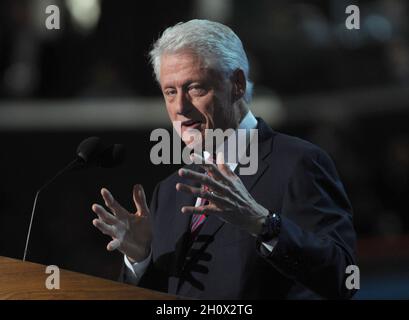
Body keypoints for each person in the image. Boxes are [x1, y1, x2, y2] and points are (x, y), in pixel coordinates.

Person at [91, 19, 357, 299]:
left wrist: (264, 224)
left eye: (195, 88)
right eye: (170, 92)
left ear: (237, 85)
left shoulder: (298, 164)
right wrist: (140, 258)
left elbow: (343, 279)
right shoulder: (169, 192)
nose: (180, 107)